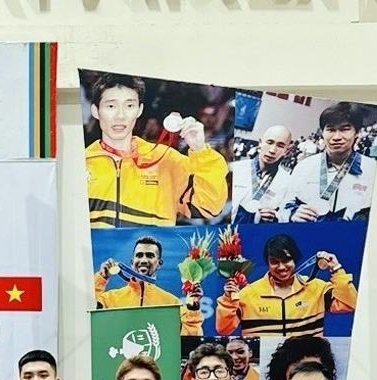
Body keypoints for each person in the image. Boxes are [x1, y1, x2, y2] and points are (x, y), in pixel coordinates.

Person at [84, 73, 229, 228]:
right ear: (95, 111)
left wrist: (201, 151)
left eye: (129, 106)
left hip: (149, 251)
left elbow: (209, 207)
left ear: (139, 110)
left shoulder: (165, 159)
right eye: (111, 106)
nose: (120, 115)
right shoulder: (81, 163)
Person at [215, 233, 357, 339]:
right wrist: (228, 300)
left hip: (306, 368)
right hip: (267, 368)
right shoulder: (249, 294)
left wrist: (336, 269)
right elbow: (223, 329)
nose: (281, 267)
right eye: (274, 262)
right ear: (268, 263)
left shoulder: (316, 288)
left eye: (286, 260)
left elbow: (350, 304)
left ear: (295, 259)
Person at [283, 102, 377, 222]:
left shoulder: (373, 170)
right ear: (322, 132)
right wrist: (292, 214)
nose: (337, 137)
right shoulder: (303, 167)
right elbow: (284, 207)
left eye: (345, 129)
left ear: (357, 132)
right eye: (331, 130)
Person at [93, 236, 203, 335]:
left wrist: (193, 311)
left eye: (150, 256)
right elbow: (86, 317)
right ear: (132, 262)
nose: (144, 260)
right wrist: (101, 278)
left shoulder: (172, 304)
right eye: (139, 255)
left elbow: (188, 341)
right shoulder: (109, 299)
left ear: (159, 263)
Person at [231, 125, 293, 224]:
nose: (272, 150)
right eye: (269, 142)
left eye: (280, 145)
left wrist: (275, 216)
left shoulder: (287, 181)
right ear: (260, 142)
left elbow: (286, 215)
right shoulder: (235, 169)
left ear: (287, 150)